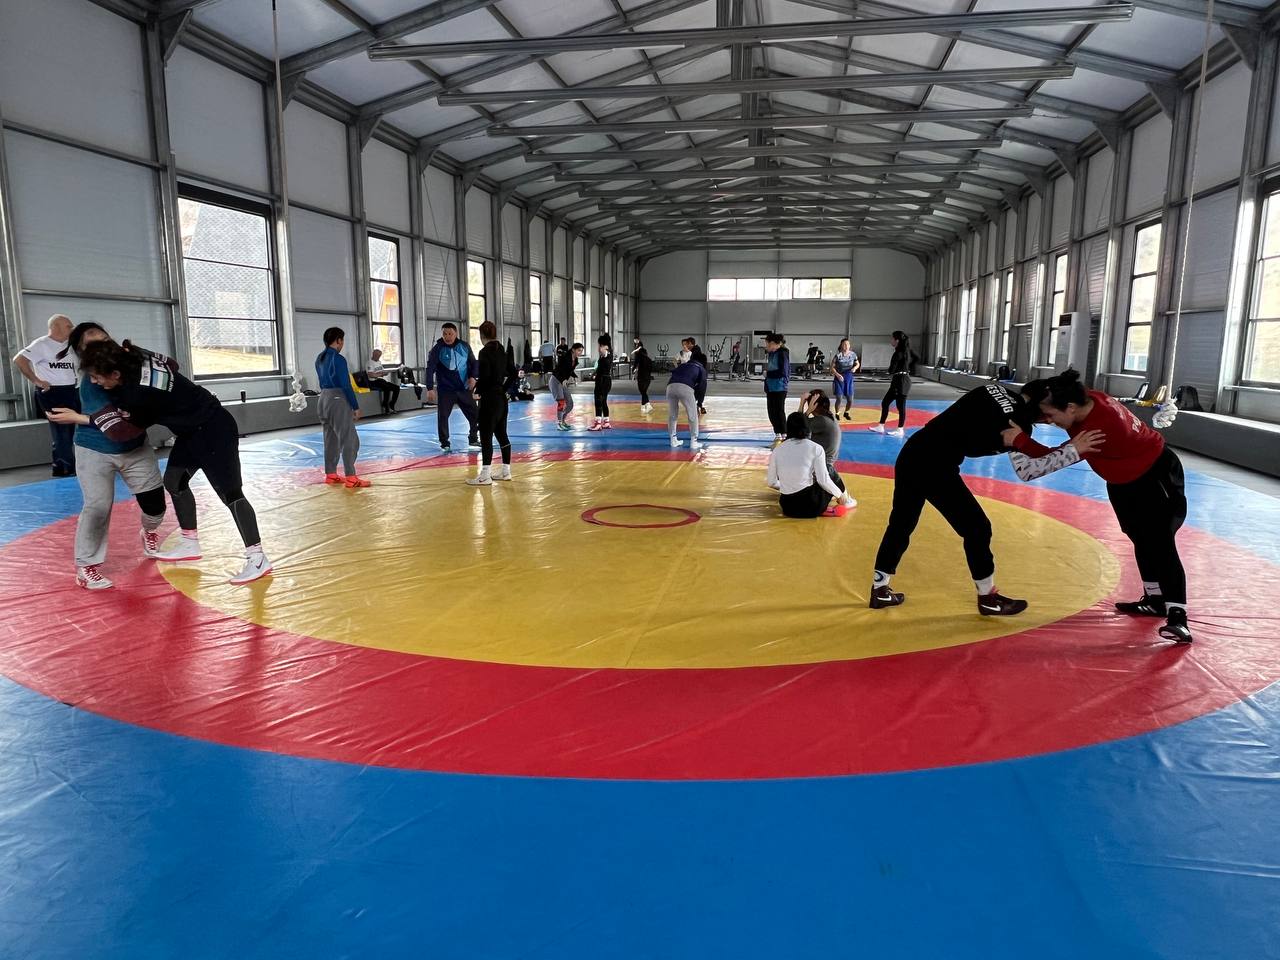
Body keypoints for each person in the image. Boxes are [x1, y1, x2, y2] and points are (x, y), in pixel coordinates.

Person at [867, 381, 1100, 615]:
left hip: (913, 452)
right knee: (977, 529)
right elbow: (1028, 470)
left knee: (901, 523)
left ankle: (880, 589)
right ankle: (988, 598)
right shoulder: (1017, 422)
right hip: (934, 465)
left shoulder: (993, 388)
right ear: (1038, 405)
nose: (1049, 420)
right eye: (1048, 413)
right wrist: (1071, 450)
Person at [50, 340, 272, 585]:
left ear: (115, 373)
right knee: (174, 482)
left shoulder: (138, 394)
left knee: (230, 494)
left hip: (213, 429)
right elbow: (172, 364)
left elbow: (123, 432)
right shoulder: (138, 357)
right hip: (191, 431)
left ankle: (257, 557)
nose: (94, 382)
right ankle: (189, 541)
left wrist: (81, 418)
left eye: (97, 377)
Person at [1004, 370, 1193, 644]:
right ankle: (1154, 600)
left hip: (1154, 475)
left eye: (1050, 416)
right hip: (1123, 478)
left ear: (1070, 408)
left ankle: (1178, 617)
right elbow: (1053, 409)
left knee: (1160, 544)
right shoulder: (1087, 399)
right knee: (1139, 537)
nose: (1048, 421)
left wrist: (1019, 440)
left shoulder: (1099, 429)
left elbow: (1045, 461)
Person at [57, 322, 166, 591]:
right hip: (95, 449)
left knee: (155, 506)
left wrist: (140, 352)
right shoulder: (91, 383)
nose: (103, 347)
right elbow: (117, 430)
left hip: (135, 447)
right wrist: (150, 415)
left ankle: (149, 531)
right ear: (82, 353)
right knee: (97, 506)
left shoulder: (132, 365)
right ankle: (87, 566)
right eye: (92, 346)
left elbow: (169, 368)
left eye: (105, 340)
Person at [13, 314, 79, 476]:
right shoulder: (41, 344)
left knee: (69, 429)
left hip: (70, 390)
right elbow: (19, 359)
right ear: (56, 327)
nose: (71, 329)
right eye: (68, 326)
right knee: (61, 430)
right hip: (53, 392)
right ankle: (66, 468)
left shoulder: (69, 346)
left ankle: (61, 466)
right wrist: (36, 380)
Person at [315, 328, 370, 489]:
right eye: (342, 341)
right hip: (337, 399)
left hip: (323, 398)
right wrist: (355, 406)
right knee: (349, 439)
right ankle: (351, 477)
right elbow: (346, 385)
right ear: (339, 340)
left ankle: (331, 474)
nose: (342, 344)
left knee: (330, 439)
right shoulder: (338, 359)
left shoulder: (320, 358)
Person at [767, 412, 847, 518]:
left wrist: (788, 487)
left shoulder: (777, 450)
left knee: (806, 485)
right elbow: (823, 480)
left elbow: (771, 482)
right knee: (829, 470)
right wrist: (839, 495)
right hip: (811, 506)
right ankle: (846, 499)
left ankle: (828, 504)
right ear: (808, 428)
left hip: (788, 508)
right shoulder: (816, 448)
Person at [467, 321, 514, 485]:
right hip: (501, 398)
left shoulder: (484, 352)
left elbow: (485, 376)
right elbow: (514, 373)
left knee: (486, 436)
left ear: (482, 336)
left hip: (489, 400)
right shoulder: (502, 350)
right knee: (502, 435)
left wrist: (477, 390)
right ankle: (506, 472)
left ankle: (485, 475)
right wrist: (503, 388)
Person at [425, 322, 479, 452]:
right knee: (443, 417)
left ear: (456, 334)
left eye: (450, 334)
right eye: (445, 334)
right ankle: (445, 442)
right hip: (446, 390)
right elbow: (430, 369)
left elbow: (474, 363)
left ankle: (473, 438)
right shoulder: (437, 349)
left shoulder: (464, 346)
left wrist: (473, 377)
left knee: (476, 415)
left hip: (464, 389)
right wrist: (430, 388)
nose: (447, 337)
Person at [799, 390, 857, 511]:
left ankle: (845, 497)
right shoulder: (827, 416)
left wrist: (804, 405)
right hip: (823, 463)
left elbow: (797, 426)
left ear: (814, 405)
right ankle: (835, 493)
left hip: (824, 465)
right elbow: (798, 426)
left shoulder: (821, 421)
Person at [870, 331, 916, 437]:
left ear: (897, 340)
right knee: (885, 402)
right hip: (901, 380)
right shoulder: (906, 351)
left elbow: (891, 370)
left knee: (900, 406)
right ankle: (881, 426)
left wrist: (890, 371)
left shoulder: (898, 353)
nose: (891, 340)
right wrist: (907, 368)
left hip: (901, 382)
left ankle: (900, 429)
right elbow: (916, 359)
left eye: (892, 339)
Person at [666, 353, 707, 450]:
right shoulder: (701, 368)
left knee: (672, 414)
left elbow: (674, 373)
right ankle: (694, 441)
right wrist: (699, 403)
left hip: (670, 387)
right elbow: (702, 387)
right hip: (685, 387)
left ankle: (673, 440)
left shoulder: (683, 365)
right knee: (693, 414)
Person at [549, 342, 584, 431]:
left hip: (563, 382)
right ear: (573, 350)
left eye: (581, 351)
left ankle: (563, 421)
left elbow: (569, 370)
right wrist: (563, 379)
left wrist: (574, 377)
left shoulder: (575, 360)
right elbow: (559, 370)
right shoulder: (565, 357)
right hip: (556, 380)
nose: (580, 353)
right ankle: (559, 423)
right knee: (561, 402)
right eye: (579, 350)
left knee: (570, 404)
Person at [763, 333, 791, 446]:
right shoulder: (772, 354)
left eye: (768, 344)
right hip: (771, 387)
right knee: (772, 411)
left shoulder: (782, 354)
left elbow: (782, 372)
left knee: (779, 411)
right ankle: (778, 433)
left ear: (775, 344)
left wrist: (768, 374)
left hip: (779, 387)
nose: (767, 346)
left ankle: (784, 434)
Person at [830, 338, 861, 420]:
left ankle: (846, 412)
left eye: (848, 344)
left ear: (849, 345)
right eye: (844, 344)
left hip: (849, 378)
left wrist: (855, 368)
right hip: (839, 378)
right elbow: (832, 368)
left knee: (850, 400)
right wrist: (837, 375)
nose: (846, 346)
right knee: (839, 399)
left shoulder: (853, 355)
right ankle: (837, 413)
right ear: (841, 346)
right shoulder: (838, 356)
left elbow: (857, 364)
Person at [589, 335, 613, 431]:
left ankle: (598, 423)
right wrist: (594, 373)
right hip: (606, 379)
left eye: (600, 344)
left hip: (602, 380)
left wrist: (602, 346)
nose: (598, 347)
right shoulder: (610, 352)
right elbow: (601, 367)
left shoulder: (605, 352)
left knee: (598, 400)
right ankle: (606, 422)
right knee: (603, 401)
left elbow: (602, 351)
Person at [365, 348, 400, 415]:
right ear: (374, 355)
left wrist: (385, 373)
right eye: (377, 356)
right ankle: (385, 404)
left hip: (380, 380)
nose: (378, 357)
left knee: (396, 388)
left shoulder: (379, 362)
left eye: (379, 356)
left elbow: (381, 370)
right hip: (373, 381)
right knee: (387, 387)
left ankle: (391, 404)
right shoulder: (369, 363)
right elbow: (371, 375)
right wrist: (380, 374)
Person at [631, 338, 654, 413]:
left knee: (642, 391)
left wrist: (633, 370)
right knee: (644, 391)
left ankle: (648, 404)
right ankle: (643, 406)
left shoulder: (639, 357)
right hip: (648, 378)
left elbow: (635, 364)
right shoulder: (649, 360)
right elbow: (651, 369)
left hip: (641, 377)